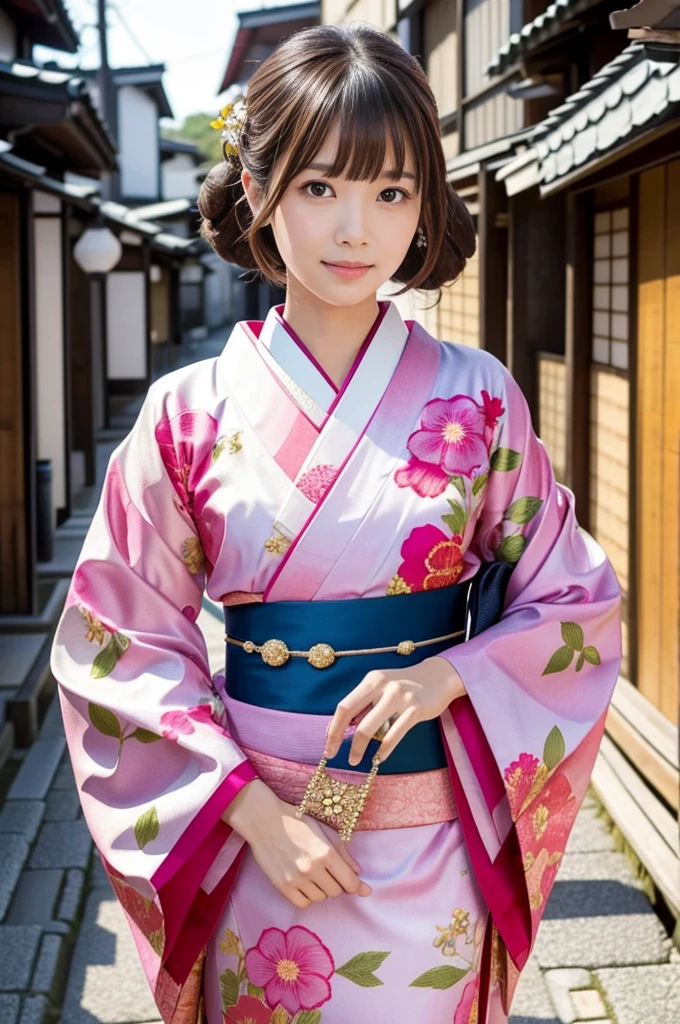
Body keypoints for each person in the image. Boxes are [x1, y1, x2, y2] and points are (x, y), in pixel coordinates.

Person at [50, 22, 622, 1024]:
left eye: (391, 191)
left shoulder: (477, 398)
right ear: (259, 191)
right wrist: (246, 811)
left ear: (423, 208)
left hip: (434, 841)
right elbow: (117, 641)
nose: (355, 228)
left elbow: (573, 599)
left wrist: (451, 671)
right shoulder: (189, 412)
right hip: (261, 839)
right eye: (319, 187)